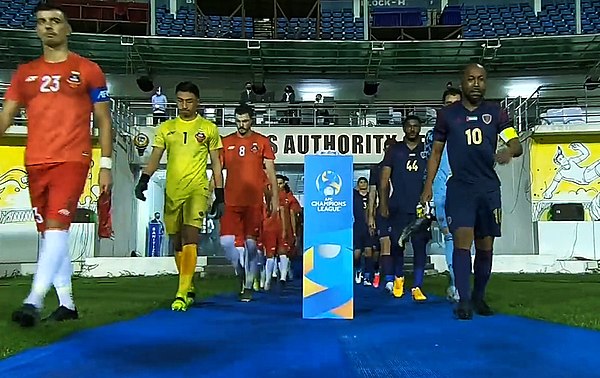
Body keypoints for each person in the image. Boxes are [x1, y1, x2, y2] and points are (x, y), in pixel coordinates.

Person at [0, 4, 112, 327]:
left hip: (72, 159)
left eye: (56, 21)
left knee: (56, 229)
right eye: (42, 22)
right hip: (35, 161)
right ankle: (67, 304)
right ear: (36, 29)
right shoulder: (24, 73)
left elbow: (104, 121)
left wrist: (105, 164)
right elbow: (6, 116)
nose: (48, 27)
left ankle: (33, 300)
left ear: (68, 29)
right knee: (50, 236)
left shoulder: (88, 69)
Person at [421, 63, 523, 320]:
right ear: (463, 82)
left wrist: (507, 152)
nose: (476, 84)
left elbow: (516, 144)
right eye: (471, 79)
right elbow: (435, 153)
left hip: (488, 189)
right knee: (462, 243)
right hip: (460, 189)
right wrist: (427, 188)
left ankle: (479, 297)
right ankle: (464, 300)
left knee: (486, 247)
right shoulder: (447, 116)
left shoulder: (496, 113)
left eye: (481, 79)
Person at [135, 81, 224, 312]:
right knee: (176, 240)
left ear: (198, 102)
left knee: (190, 235)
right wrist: (144, 179)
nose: (184, 105)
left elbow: (216, 163)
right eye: (180, 101)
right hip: (173, 190)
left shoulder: (209, 128)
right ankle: (189, 282)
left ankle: (182, 292)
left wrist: (220, 193)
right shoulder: (165, 128)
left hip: (197, 189)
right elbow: (155, 156)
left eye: (189, 101)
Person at [220, 104, 279, 302]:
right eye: (238, 121)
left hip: (253, 202)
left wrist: (275, 199)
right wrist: (212, 194)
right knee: (226, 242)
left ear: (251, 120)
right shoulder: (226, 142)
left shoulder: (261, 142)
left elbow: (270, 173)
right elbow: (217, 172)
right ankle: (240, 272)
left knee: (252, 246)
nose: (241, 125)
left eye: (244, 121)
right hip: (230, 200)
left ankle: (247, 286)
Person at [379, 116, 429, 302]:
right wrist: (383, 204)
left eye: (416, 126)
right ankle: (398, 278)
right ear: (404, 128)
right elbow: (384, 179)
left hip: (419, 207)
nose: (413, 129)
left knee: (419, 246)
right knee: (397, 244)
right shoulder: (394, 150)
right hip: (398, 204)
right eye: (409, 126)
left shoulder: (426, 149)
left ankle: (417, 285)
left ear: (420, 129)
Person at [424, 87, 462, 302]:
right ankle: (456, 284)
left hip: (466, 187)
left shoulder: (470, 129)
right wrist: (428, 188)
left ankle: (460, 282)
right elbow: (432, 161)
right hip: (442, 188)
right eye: (449, 103)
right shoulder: (434, 134)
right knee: (449, 236)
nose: (453, 106)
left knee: (464, 237)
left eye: (457, 102)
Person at [367, 138, 396, 289]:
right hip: (382, 210)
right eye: (387, 148)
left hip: (399, 209)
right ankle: (388, 278)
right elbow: (372, 193)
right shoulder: (376, 168)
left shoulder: (402, 165)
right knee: (384, 243)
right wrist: (371, 215)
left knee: (397, 244)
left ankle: (396, 276)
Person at [353, 177, 374, 286]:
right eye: (360, 182)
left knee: (368, 253)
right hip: (358, 226)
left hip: (368, 226)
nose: (363, 184)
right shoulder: (354, 196)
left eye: (364, 182)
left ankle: (367, 276)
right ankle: (358, 270)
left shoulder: (371, 196)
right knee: (356, 253)